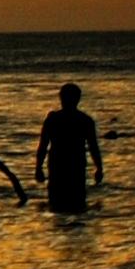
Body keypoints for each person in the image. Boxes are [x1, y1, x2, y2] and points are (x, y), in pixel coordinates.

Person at [34, 81, 102, 211]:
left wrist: (38, 167)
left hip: (62, 164)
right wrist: (99, 168)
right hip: (70, 165)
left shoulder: (54, 119)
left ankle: (62, 227)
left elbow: (43, 145)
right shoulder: (84, 120)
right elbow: (93, 147)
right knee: (75, 202)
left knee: (58, 203)